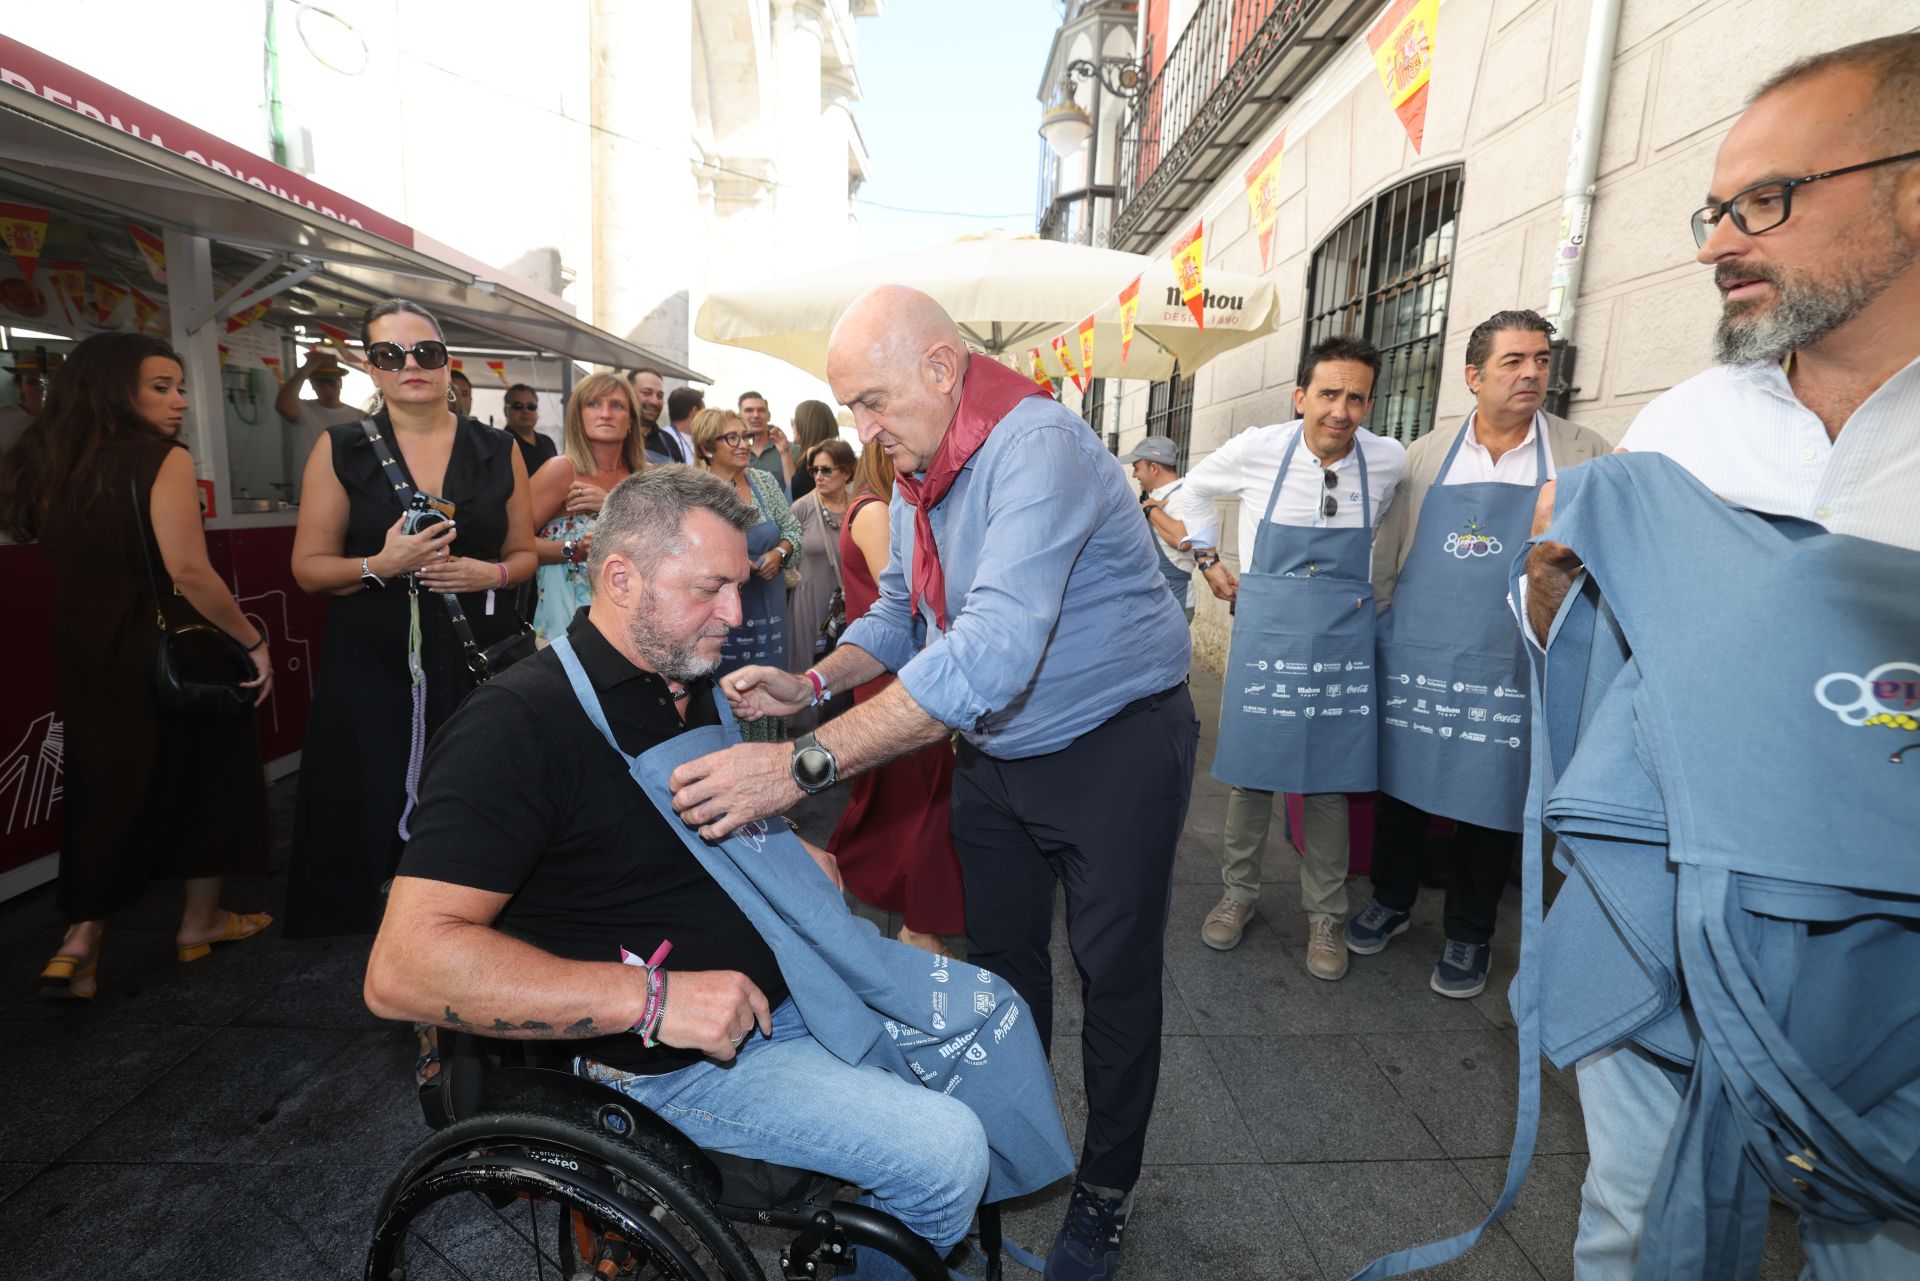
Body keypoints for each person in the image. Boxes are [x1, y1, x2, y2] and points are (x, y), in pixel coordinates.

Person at [363, 466, 1023, 1278]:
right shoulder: (516, 726)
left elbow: (664, 833)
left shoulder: (687, 680)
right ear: (619, 578)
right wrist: (653, 998)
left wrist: (784, 847)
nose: (736, 615)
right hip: (664, 1063)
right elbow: (402, 968)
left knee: (989, 1026)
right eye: (710, 588)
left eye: (740, 587)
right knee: (948, 1150)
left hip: (787, 984)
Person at [667, 285, 1198, 1281]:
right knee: (998, 967)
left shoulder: (1037, 448)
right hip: (999, 757)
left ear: (943, 370)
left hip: (1114, 748)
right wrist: (813, 683)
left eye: (871, 402)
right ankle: (1005, 1137)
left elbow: (990, 651)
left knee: (1115, 974)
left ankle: (1104, 1192)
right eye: (853, 408)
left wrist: (802, 762)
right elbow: (907, 616)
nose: (864, 432)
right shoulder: (924, 469)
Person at [1522, 35, 1920, 1280]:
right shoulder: (1686, 428)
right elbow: (1590, 662)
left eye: (1767, 200)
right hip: (1668, 956)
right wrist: (1545, 592)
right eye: (1714, 209)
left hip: (1895, 995)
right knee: (1637, 1231)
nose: (1715, 243)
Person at [1344, 310, 1610, 999]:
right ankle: (1391, 899)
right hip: (1418, 650)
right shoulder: (1427, 454)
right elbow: (1389, 552)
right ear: (1474, 376)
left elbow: (1604, 556)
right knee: (1402, 781)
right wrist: (1376, 629)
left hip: (1514, 657)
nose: (1532, 373)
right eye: (1514, 361)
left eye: (1541, 360)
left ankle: (1470, 932)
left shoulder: (1584, 452)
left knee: (1493, 794)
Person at [0, 333, 273, 999]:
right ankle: (200, 922)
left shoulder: (44, 456)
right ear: (113, 387)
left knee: (106, 783)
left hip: (87, 643)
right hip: (177, 640)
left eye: (179, 386)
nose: (180, 400)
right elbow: (188, 571)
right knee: (213, 775)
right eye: (162, 386)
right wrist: (252, 641)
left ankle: (80, 941)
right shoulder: (161, 459)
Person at [285, 298, 537, 942]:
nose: (411, 367)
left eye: (425, 352)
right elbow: (310, 568)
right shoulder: (342, 447)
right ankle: (405, 948)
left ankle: (474, 928)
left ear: (447, 361)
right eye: (389, 355)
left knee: (476, 800)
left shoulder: (497, 447)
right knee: (378, 801)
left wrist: (492, 574)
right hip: (372, 663)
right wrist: (382, 562)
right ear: (370, 368)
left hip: (477, 655)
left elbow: (523, 554)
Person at [1163, 337, 1406, 979]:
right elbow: (1188, 492)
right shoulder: (1258, 448)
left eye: (1355, 398)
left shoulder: (1389, 461)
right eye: (1328, 394)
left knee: (1327, 779)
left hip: (1340, 637)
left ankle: (1325, 914)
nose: (1341, 410)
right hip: (1268, 632)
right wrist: (1209, 562)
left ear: (1369, 404)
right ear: (1301, 398)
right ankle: (1237, 894)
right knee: (1251, 773)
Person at [824, 440, 966, 956]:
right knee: (925, 798)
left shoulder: (867, 506)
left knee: (900, 798)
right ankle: (919, 926)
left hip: (887, 668)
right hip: (894, 669)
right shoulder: (877, 510)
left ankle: (896, 898)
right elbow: (905, 598)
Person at [691, 406, 800, 744]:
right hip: (721, 613)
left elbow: (793, 529)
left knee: (769, 685)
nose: (743, 444)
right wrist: (735, 568)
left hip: (769, 606)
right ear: (709, 446)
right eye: (732, 437)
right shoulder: (698, 492)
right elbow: (691, 552)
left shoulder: (764, 482)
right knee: (728, 689)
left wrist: (778, 553)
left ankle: (770, 761)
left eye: (746, 436)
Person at [531, 372, 646, 641]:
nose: (605, 413)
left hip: (635, 622)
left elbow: (669, 539)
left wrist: (609, 503)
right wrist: (574, 549)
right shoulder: (562, 470)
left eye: (616, 406)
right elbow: (512, 545)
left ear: (630, 420)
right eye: (594, 404)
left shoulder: (644, 476)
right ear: (578, 416)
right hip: (569, 624)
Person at [784, 438, 855, 732]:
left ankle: (841, 728)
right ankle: (804, 733)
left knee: (846, 663)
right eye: (814, 470)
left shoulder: (860, 508)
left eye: (826, 469)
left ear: (847, 472)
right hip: (808, 601)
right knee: (806, 666)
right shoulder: (802, 508)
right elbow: (785, 554)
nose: (819, 477)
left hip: (848, 603)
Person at [1124, 435, 1198, 622]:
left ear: (1154, 468)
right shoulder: (1160, 497)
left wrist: (1151, 510)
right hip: (1154, 598)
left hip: (1173, 600)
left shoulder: (1182, 495)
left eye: (1136, 468)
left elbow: (1183, 538)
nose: (1134, 475)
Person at [275, 349, 364, 500]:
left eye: (331, 382)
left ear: (340, 383)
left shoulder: (360, 416)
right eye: (321, 383)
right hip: (310, 492)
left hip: (349, 492)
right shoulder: (304, 410)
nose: (326, 388)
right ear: (313, 385)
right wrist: (307, 368)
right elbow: (282, 405)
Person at [500, 382, 557, 479]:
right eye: (518, 405)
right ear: (506, 410)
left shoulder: (548, 442)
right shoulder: (500, 444)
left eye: (531, 406)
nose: (525, 411)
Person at [786, 398, 840, 501]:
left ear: (806, 425)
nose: (792, 426)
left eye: (794, 421)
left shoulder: (814, 453)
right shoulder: (818, 453)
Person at [0, 350, 52, 453]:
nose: (41, 389)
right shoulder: (2, 417)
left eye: (50, 382)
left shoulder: (69, 419)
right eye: (32, 382)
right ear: (20, 385)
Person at [739, 390, 791, 488]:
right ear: (739, 416)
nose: (756, 415)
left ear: (769, 416)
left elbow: (795, 491)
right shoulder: (732, 450)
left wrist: (785, 453)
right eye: (749, 410)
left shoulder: (791, 449)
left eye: (761, 410)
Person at [629, 368, 680, 463]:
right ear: (629, 394)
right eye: (647, 393)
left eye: (659, 396)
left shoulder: (668, 442)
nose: (655, 401)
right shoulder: (617, 438)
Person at [664, 385, 703, 463]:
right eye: (704, 412)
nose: (705, 418)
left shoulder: (699, 441)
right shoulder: (664, 440)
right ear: (694, 411)